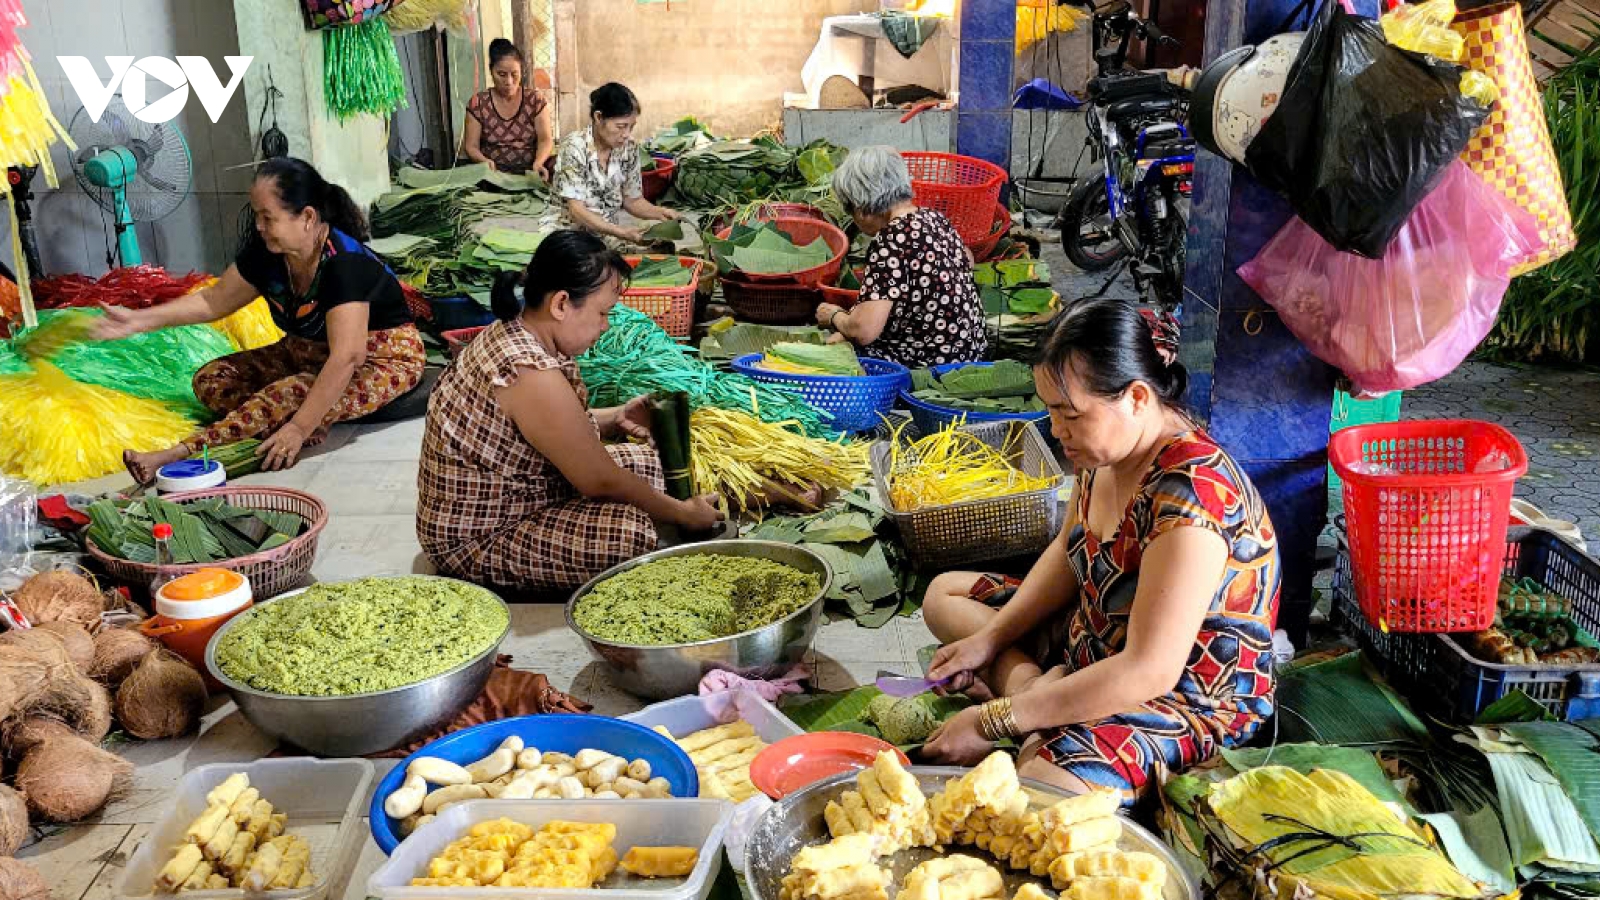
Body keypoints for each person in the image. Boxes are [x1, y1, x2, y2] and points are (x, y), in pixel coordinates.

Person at [919, 298, 1280, 807]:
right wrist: (989, 640)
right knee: (945, 596)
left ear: (1136, 397)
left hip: (1182, 699)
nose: (1056, 429)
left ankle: (1039, 705)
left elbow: (1149, 670)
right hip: (1094, 644)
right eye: (1050, 410)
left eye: (1069, 414)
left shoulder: (1192, 496)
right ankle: (1034, 688)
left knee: (1041, 785)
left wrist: (993, 720)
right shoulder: (1101, 453)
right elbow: (1068, 554)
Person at [416, 230, 723, 593]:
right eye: (602, 313)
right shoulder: (528, 371)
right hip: (479, 537)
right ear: (561, 304)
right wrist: (683, 514)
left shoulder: (518, 331)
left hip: (519, 491)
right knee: (629, 532)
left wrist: (616, 416)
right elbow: (598, 479)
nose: (606, 325)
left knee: (646, 464)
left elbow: (546, 430)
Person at [101, 157, 424, 481]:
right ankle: (284, 414)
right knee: (212, 380)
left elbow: (347, 357)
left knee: (290, 393)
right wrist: (139, 320)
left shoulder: (345, 263)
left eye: (268, 217)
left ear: (307, 217)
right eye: (257, 215)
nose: (258, 226)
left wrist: (299, 429)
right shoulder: (268, 254)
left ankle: (175, 455)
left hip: (379, 360)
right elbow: (213, 301)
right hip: (305, 351)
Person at [815, 145, 987, 368]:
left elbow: (863, 331)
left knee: (837, 343)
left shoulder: (891, 240)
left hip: (930, 364)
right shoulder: (934, 219)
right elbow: (967, 259)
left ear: (862, 209)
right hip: (969, 352)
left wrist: (834, 315)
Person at [552, 83, 679, 246]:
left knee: (662, 248)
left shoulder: (629, 148)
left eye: (631, 127)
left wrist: (660, 213)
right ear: (598, 118)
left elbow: (632, 200)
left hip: (607, 232)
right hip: (569, 234)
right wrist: (622, 232)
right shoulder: (574, 148)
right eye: (621, 126)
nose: (626, 134)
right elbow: (577, 210)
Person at [462, 39, 554, 178]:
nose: (509, 82)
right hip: (494, 175)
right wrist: (484, 161)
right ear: (491, 71)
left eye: (514, 74)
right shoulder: (478, 104)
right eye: (502, 74)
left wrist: (538, 163)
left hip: (531, 171)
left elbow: (545, 140)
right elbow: (471, 146)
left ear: (521, 71)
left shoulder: (535, 100)